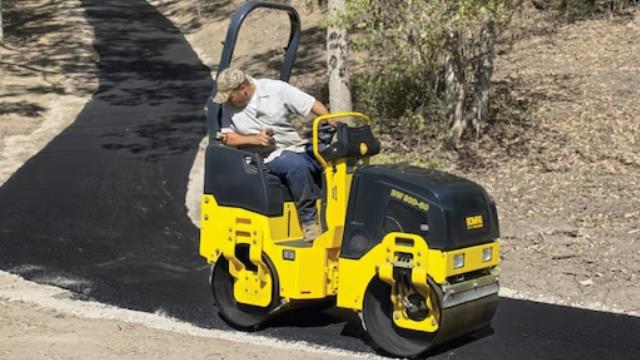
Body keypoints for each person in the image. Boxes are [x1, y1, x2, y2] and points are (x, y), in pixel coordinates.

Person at [212, 67, 330, 240]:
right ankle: (309, 222)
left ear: (244, 88)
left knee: (330, 160)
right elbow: (226, 137)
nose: (228, 101)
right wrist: (254, 140)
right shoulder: (228, 107)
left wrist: (332, 122)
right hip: (258, 159)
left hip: (294, 146)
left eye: (231, 96)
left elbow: (313, 105)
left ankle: (335, 216)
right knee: (296, 165)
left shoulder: (275, 89)